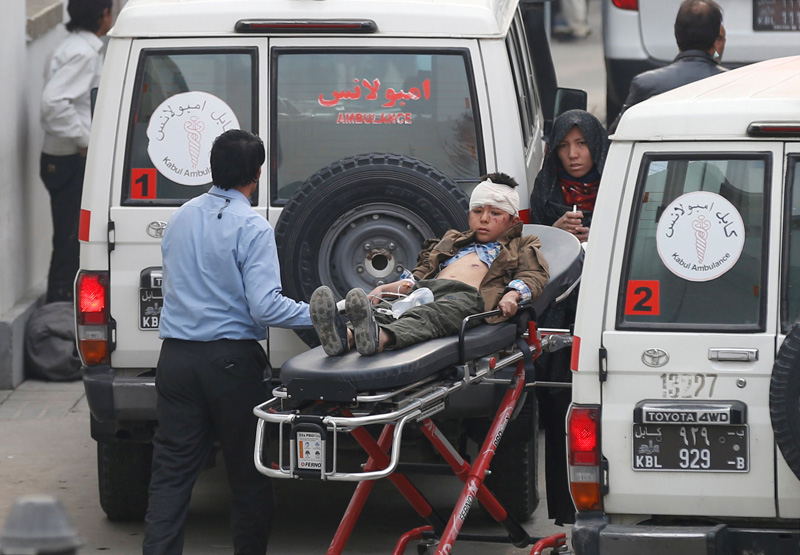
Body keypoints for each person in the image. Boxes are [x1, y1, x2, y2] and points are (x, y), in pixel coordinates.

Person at [143, 130, 311, 555]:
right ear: (257, 175)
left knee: (172, 473)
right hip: (232, 363)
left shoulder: (180, 216)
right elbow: (266, 309)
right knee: (248, 473)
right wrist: (324, 314)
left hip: (176, 359)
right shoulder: (251, 226)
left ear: (212, 168)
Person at [310, 173, 549, 357]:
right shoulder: (452, 241)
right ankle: (346, 336)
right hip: (428, 290)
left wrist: (513, 295)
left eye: (495, 213)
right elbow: (417, 277)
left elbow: (532, 274)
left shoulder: (520, 245)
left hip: (466, 299)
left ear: (513, 221)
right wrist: (384, 289)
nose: (484, 218)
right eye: (477, 211)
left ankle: (379, 338)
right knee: (389, 309)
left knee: (428, 315)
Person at [529, 108, 608, 526]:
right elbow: (526, 257)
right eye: (564, 146)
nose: (574, 155)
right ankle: (563, 513)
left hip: (601, 320)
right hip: (558, 325)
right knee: (562, 409)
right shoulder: (545, 195)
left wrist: (601, 232)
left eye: (581, 145)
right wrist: (554, 233)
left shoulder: (618, 188)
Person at [40, 0, 113, 303]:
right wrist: (85, 141)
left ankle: (57, 322)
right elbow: (53, 104)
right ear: (103, 15)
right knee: (71, 245)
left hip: (61, 159)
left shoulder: (73, 46)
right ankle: (56, 327)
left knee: (68, 242)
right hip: (70, 160)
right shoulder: (83, 53)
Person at [608, 0, 726, 133]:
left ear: (676, 32)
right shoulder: (732, 85)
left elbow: (616, 135)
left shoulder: (646, 84)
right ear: (716, 38)